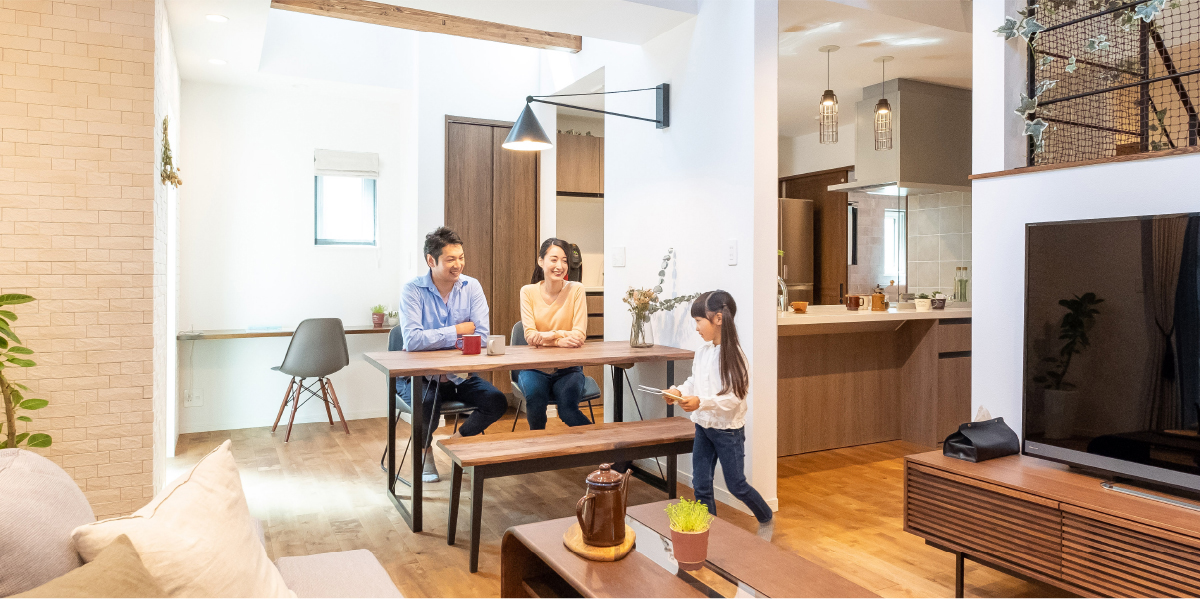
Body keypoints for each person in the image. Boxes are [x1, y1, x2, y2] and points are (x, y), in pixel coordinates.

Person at [662, 290, 775, 540]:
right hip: (703, 427)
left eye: (698, 321)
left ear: (718, 319)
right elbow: (694, 382)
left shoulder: (736, 357)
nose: (696, 328)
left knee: (736, 485)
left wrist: (701, 402)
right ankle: (709, 535)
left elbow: (734, 398)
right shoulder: (703, 352)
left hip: (728, 432)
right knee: (700, 484)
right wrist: (678, 391)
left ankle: (766, 516)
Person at [398, 227, 507, 482]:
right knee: (426, 404)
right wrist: (457, 331)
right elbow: (413, 340)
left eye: (461, 257)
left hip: (459, 375)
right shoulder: (413, 290)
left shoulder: (472, 286)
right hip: (422, 377)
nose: (458, 265)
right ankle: (424, 452)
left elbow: (481, 336)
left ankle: (455, 442)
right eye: (450, 259)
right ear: (431, 260)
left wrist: (433, 338)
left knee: (496, 401)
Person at [517, 238, 591, 430]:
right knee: (535, 403)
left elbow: (578, 335)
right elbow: (530, 336)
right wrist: (560, 340)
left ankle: (602, 444)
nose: (560, 266)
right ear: (541, 261)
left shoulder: (576, 289)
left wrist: (546, 337)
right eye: (554, 259)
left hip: (569, 368)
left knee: (568, 410)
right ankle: (539, 445)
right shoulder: (527, 292)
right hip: (534, 367)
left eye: (564, 261)